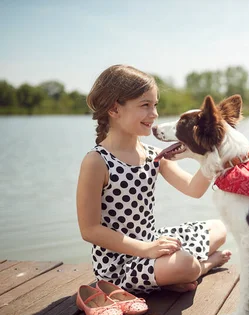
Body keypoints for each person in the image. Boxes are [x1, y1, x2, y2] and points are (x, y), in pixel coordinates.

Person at [76, 64, 231, 294]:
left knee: (219, 228)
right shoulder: (96, 161)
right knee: (184, 264)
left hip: (152, 242)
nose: (154, 114)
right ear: (114, 109)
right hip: (119, 265)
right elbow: (89, 230)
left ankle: (175, 276)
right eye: (145, 105)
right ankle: (203, 267)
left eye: (155, 105)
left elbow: (193, 189)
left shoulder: (152, 155)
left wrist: (212, 153)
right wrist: (146, 249)